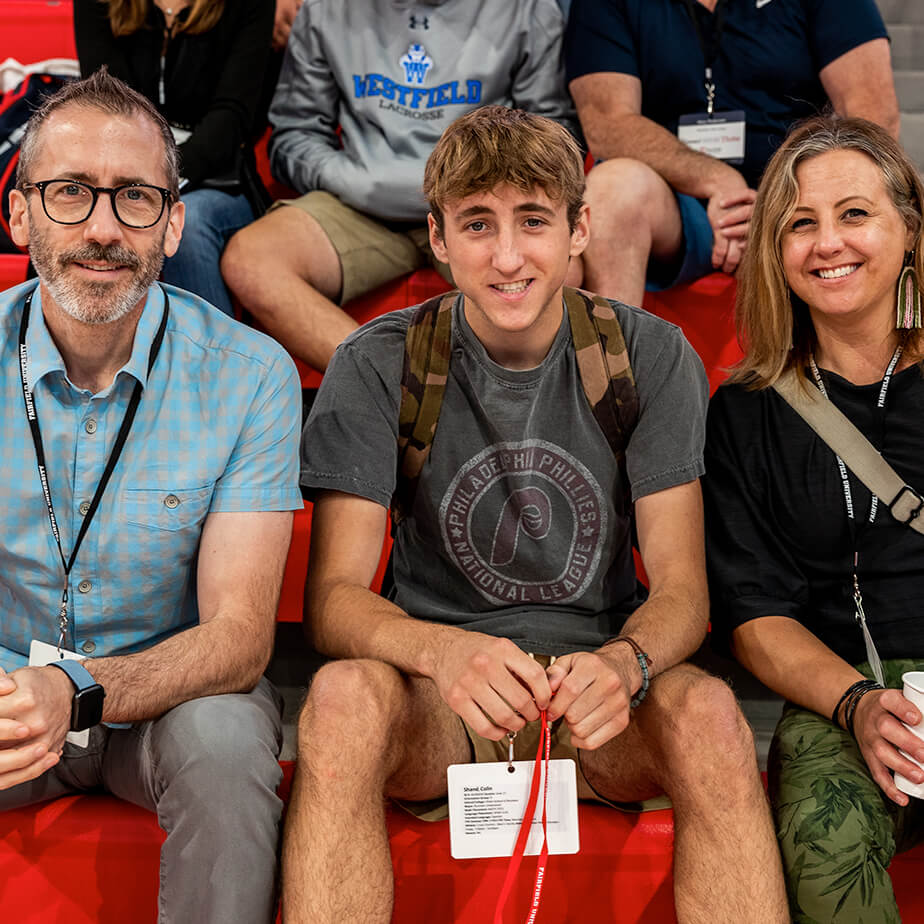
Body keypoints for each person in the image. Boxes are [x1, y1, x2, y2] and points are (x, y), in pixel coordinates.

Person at [283, 105, 789, 923]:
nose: (508, 255)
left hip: (597, 704)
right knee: (341, 698)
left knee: (707, 711)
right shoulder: (378, 361)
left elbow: (684, 592)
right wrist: (442, 653)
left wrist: (626, 665)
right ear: (438, 239)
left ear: (580, 228)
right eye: (477, 224)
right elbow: (334, 601)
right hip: (442, 702)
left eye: (533, 221)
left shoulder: (647, 355)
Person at [0, 70, 302, 923]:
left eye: (134, 198)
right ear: (18, 213)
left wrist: (79, 691)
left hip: (165, 706)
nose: (102, 229)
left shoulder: (251, 376)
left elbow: (240, 640)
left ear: (173, 225)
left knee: (229, 740)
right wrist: (32, 700)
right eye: (69, 194)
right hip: (7, 700)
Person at [704, 114, 924, 923]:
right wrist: (859, 704)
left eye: (854, 213)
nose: (827, 242)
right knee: (825, 851)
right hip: (846, 697)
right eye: (800, 223)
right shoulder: (744, 413)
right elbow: (756, 615)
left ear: (908, 226)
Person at [220, 0, 578, 373]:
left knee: (562, 270)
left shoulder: (530, 8)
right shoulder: (327, 9)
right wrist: (353, 180)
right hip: (361, 203)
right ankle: (391, 387)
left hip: (479, 203)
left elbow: (551, 136)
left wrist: (482, 192)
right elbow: (294, 134)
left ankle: (488, 403)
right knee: (251, 260)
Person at [564, 0, 900, 309]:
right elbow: (608, 124)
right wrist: (717, 181)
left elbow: (871, 117)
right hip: (676, 201)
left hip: (796, 193)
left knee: (861, 207)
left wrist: (775, 203)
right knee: (612, 189)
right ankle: (609, 370)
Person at [73, 0, 276, 316]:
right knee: (72, 214)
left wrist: (157, 187)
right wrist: (138, 189)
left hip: (218, 179)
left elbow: (232, 116)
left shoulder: (249, 6)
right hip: (121, 169)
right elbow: (108, 104)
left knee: (184, 221)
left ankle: (215, 362)